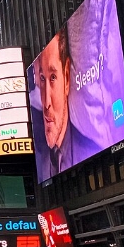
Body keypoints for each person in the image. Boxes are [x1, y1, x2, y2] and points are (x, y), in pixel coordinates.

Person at [33, 26, 100, 181]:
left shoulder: (90, 149)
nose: (46, 103)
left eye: (53, 78)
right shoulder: (41, 164)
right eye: (42, 79)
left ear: (67, 78)